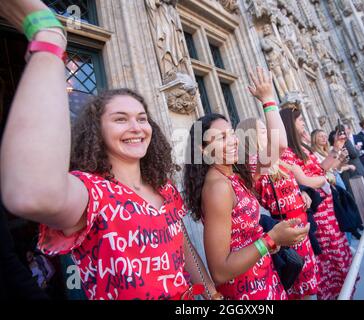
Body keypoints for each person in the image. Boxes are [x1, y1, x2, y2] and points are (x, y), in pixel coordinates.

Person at [0, 0, 220, 300]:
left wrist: (211, 294)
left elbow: (181, 243)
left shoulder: (164, 188)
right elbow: (32, 192)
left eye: (142, 118)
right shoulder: (92, 193)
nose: (136, 127)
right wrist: (48, 37)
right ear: (96, 133)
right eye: (120, 119)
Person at [183, 67, 308, 300]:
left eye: (230, 133)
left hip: (266, 278)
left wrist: (268, 99)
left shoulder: (235, 172)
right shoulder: (218, 187)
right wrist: (271, 240)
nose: (231, 141)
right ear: (203, 149)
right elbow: (220, 271)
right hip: (248, 292)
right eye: (220, 138)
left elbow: (278, 146)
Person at [236, 117, 319, 300]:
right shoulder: (252, 163)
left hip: (300, 225)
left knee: (309, 287)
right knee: (300, 290)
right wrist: (267, 99)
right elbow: (281, 143)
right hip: (285, 228)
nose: (270, 133)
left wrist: (303, 191)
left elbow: (294, 180)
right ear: (252, 137)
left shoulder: (273, 160)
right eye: (264, 131)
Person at [279, 108, 354, 300]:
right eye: (300, 120)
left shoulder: (301, 147)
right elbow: (306, 180)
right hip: (317, 212)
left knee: (338, 254)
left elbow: (320, 169)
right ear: (289, 123)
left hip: (327, 208)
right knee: (328, 258)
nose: (304, 123)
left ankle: (343, 293)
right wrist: (321, 179)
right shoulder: (286, 152)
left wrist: (337, 146)